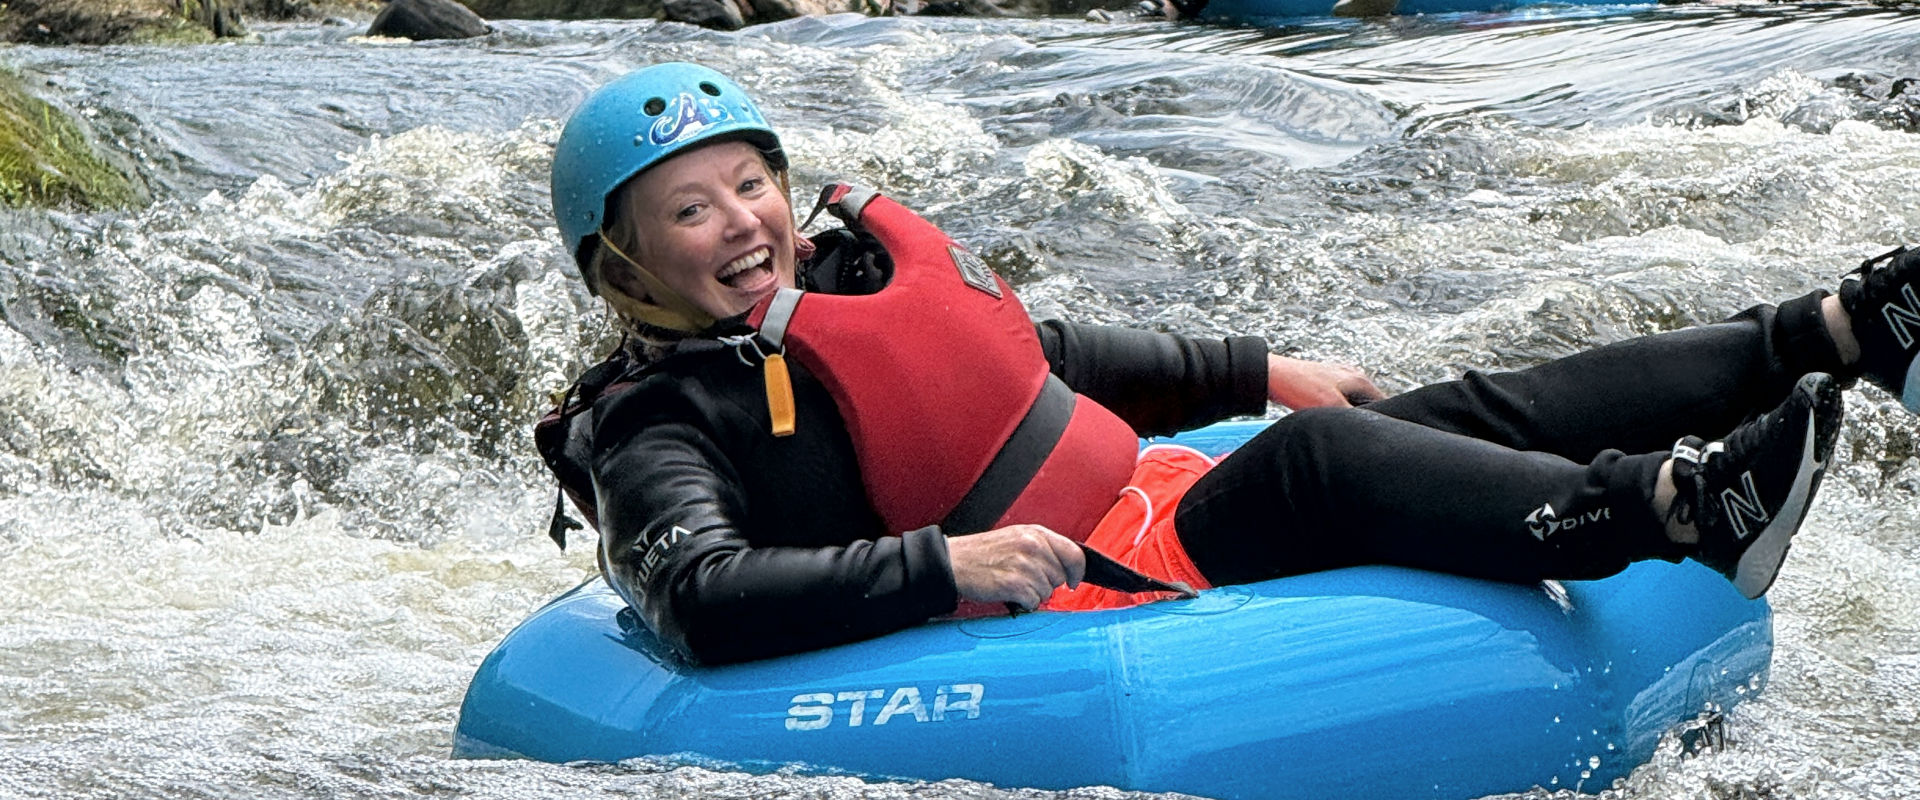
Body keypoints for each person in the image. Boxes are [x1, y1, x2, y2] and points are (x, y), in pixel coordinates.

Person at [537, 62, 1919, 666]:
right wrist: (943, 567)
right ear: (624, 264)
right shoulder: (654, 422)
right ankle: (1681, 513)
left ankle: (1835, 334)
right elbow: (700, 598)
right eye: (691, 210)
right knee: (1324, 468)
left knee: (1451, 410)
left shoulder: (836, 284)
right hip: (1063, 597)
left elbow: (1035, 358)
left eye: (753, 185)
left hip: (1140, 506)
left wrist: (1259, 368)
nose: (744, 224)